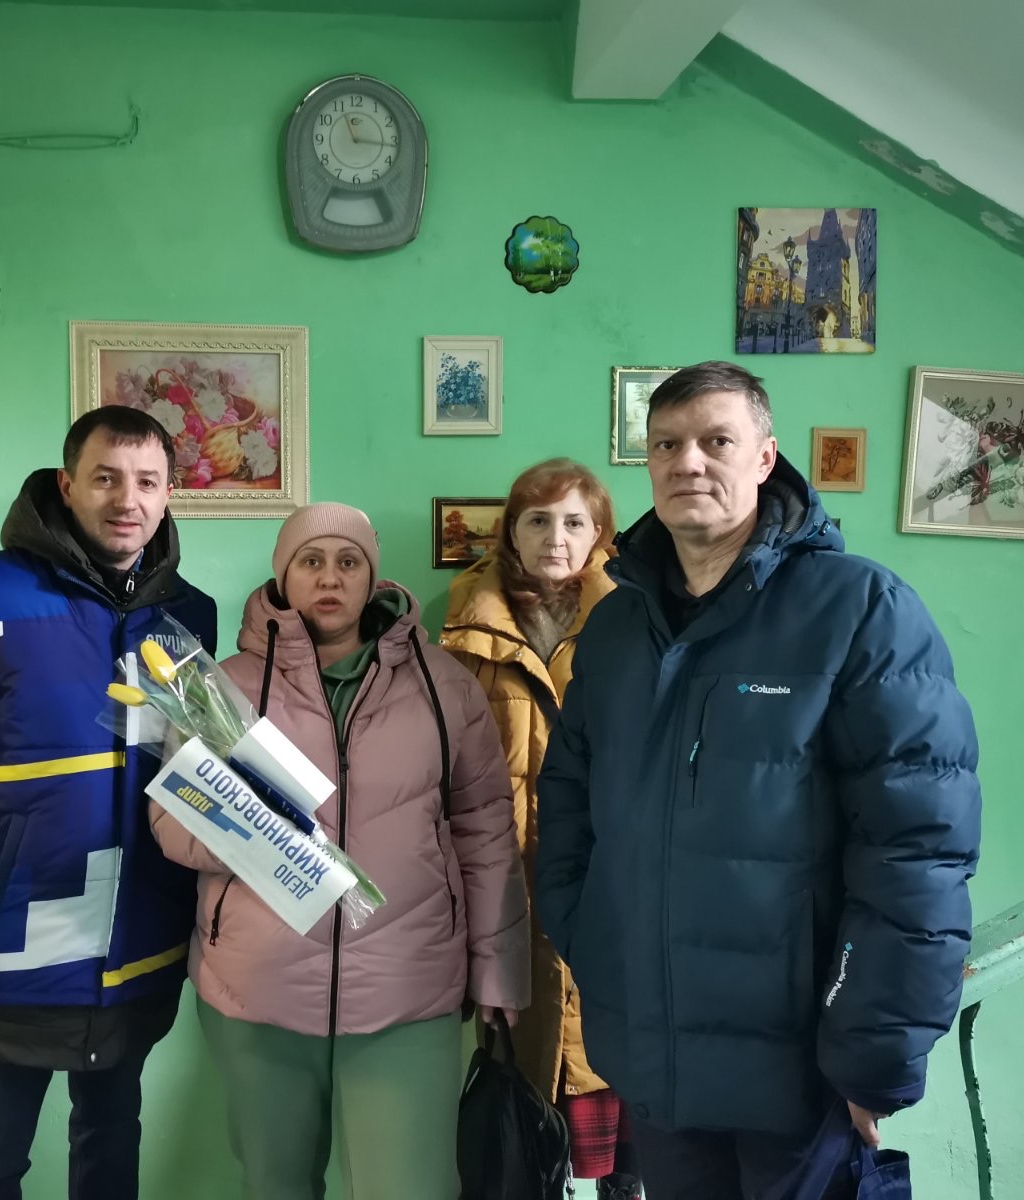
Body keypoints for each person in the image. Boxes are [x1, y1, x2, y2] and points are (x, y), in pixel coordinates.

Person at [536, 361, 981, 1199]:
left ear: (766, 457)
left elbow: (918, 850)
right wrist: (589, 940)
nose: (687, 462)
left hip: (802, 1077)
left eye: (716, 440)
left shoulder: (861, 610)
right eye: (666, 444)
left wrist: (876, 1055)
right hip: (656, 1063)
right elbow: (567, 803)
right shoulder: (616, 627)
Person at [0, 406, 217, 1200]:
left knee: (111, 1139)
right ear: (67, 486)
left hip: (140, 940)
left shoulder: (188, 614)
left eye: (147, 482)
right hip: (9, 945)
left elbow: (198, 771)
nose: (127, 500)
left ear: (169, 494)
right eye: (105, 479)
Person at [151, 502, 528, 1200]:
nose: (330, 578)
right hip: (258, 991)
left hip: (408, 990)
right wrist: (256, 830)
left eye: (348, 562)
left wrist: (498, 970)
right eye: (311, 561)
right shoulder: (223, 688)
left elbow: (484, 830)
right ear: (282, 575)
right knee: (275, 1187)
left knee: (409, 1190)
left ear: (372, 577)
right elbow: (172, 826)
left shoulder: (444, 686)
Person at [440, 459, 642, 1199]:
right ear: (511, 534)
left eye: (574, 522)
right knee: (520, 1120)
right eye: (538, 520)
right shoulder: (463, 631)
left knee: (624, 1102)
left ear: (600, 535)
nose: (556, 538)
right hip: (507, 893)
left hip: (610, 888)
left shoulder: (635, 621)